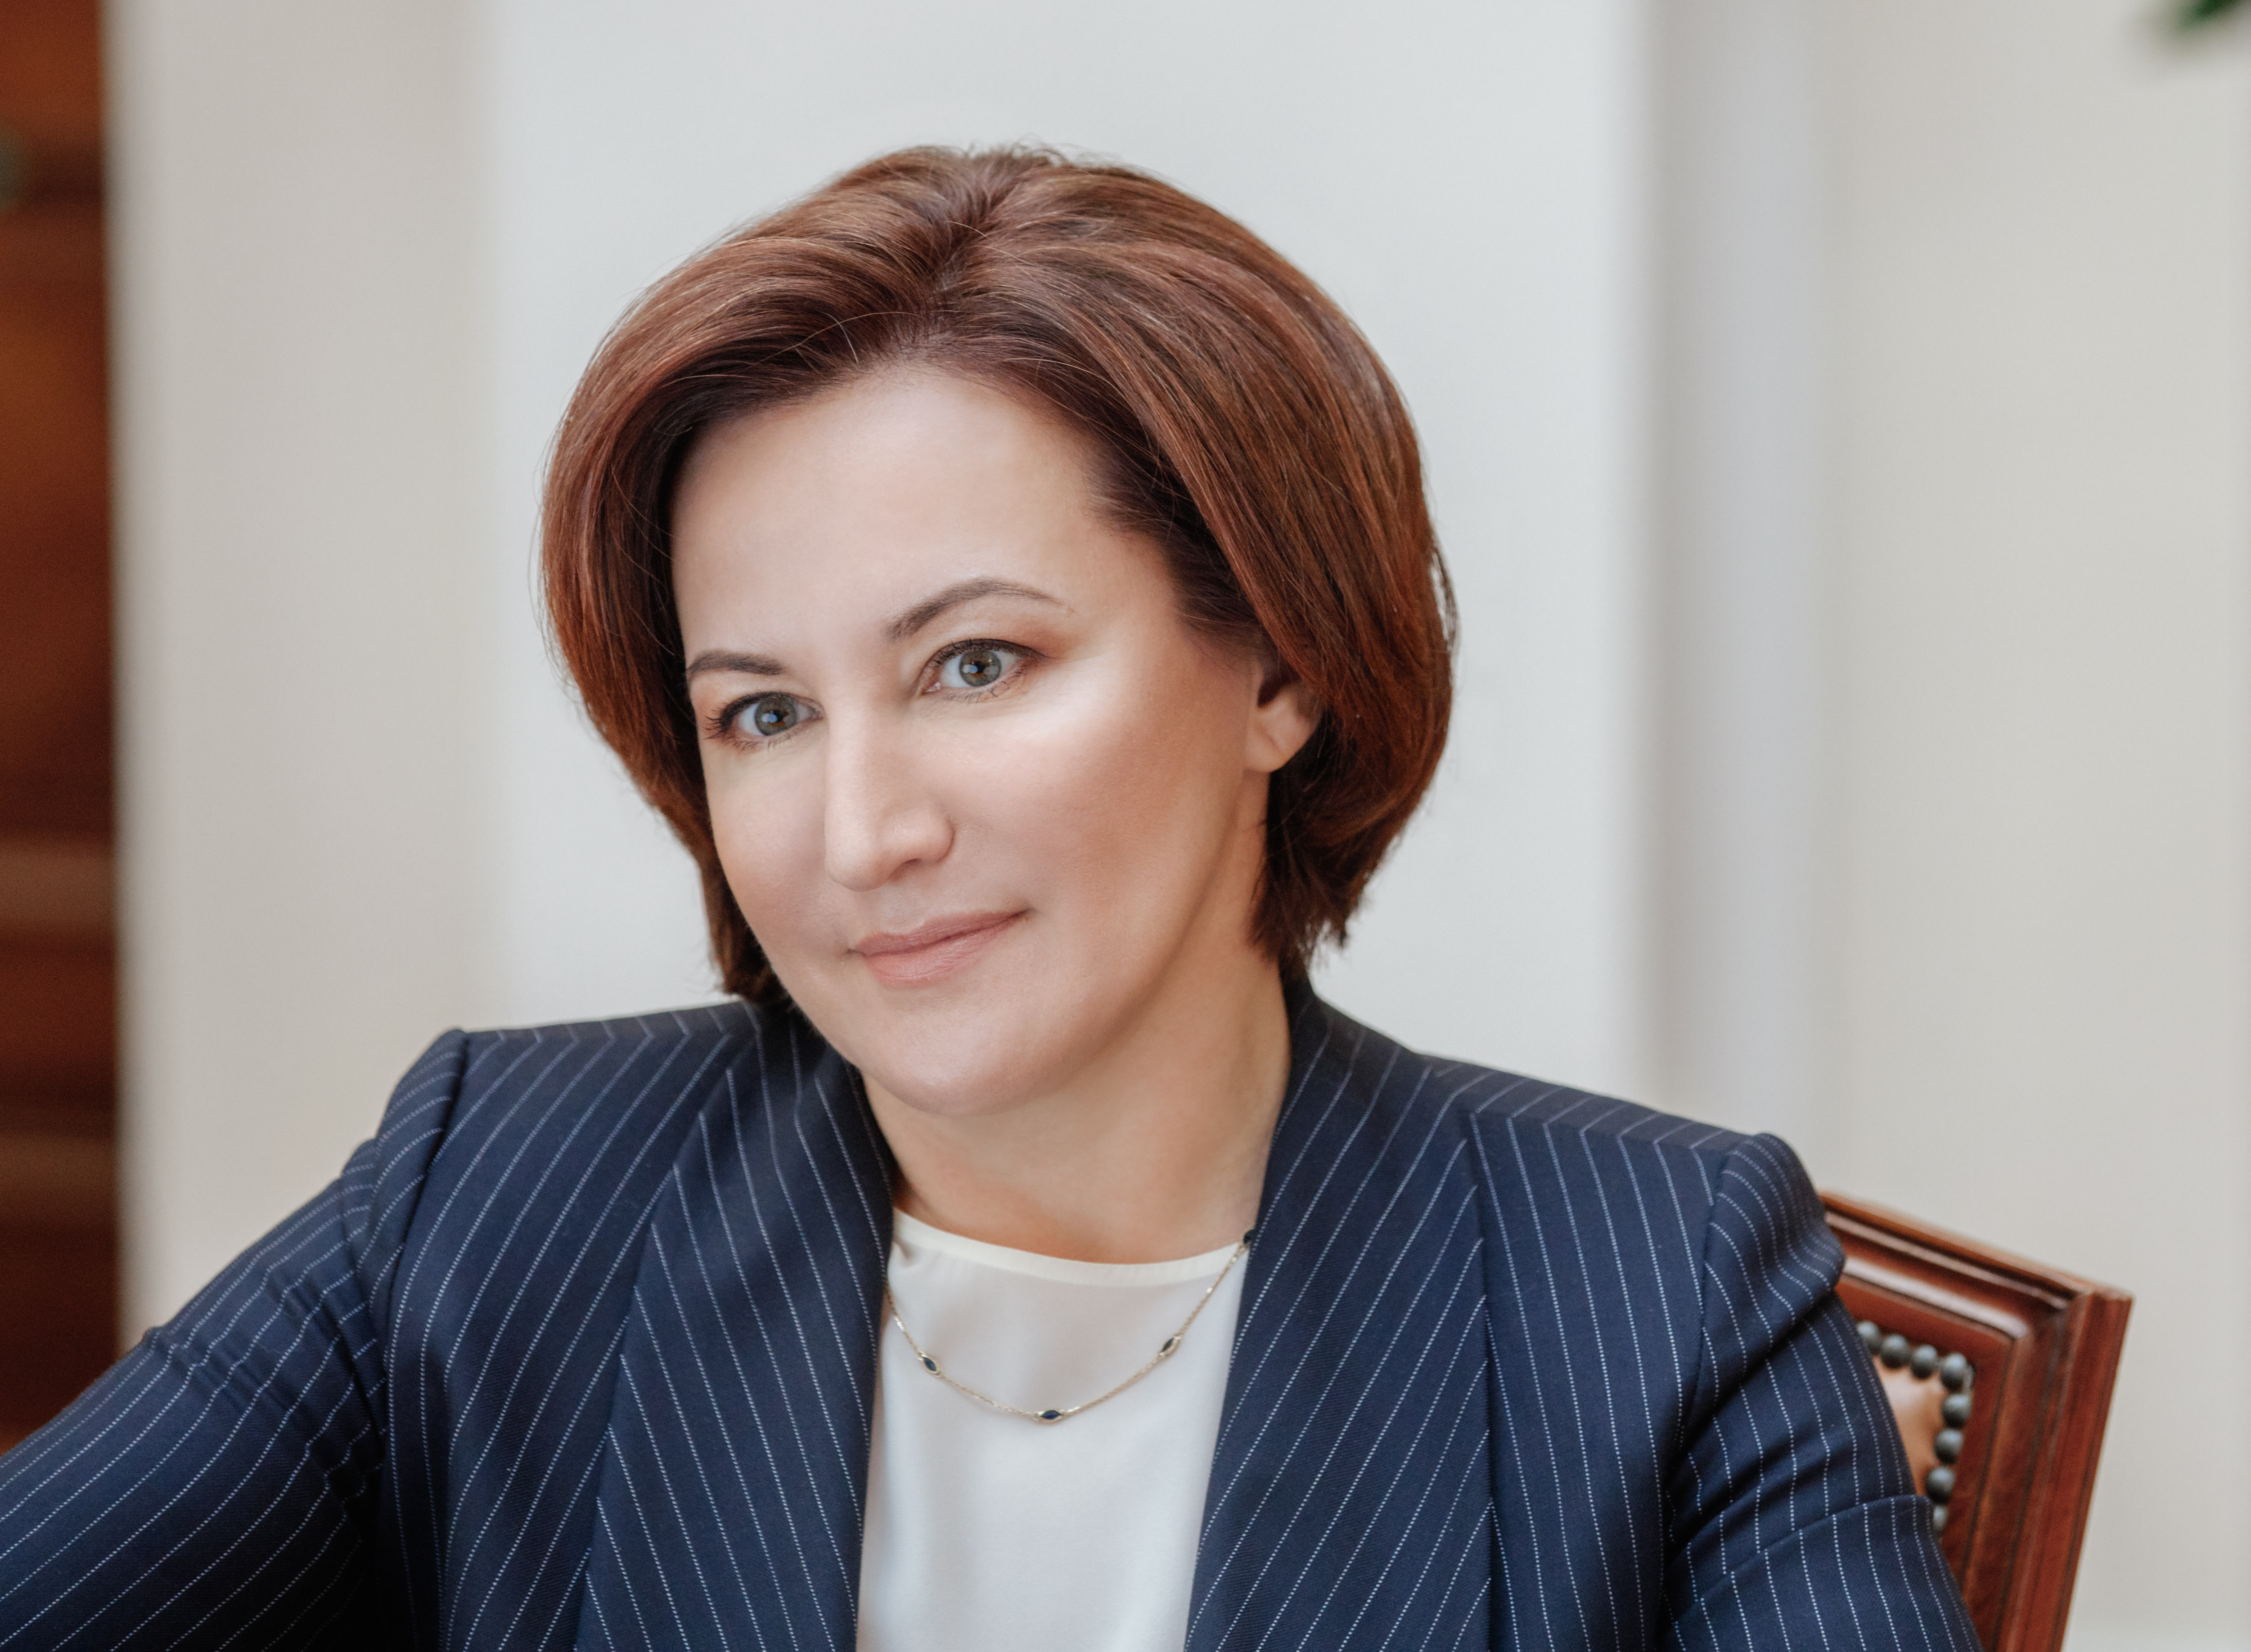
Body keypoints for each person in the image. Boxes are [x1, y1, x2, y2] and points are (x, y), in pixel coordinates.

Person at [0, 147, 1978, 1652]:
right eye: (765, 712)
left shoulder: (1663, 1288)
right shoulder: (495, 1194)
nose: (863, 832)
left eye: (976, 665)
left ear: (1280, 667)